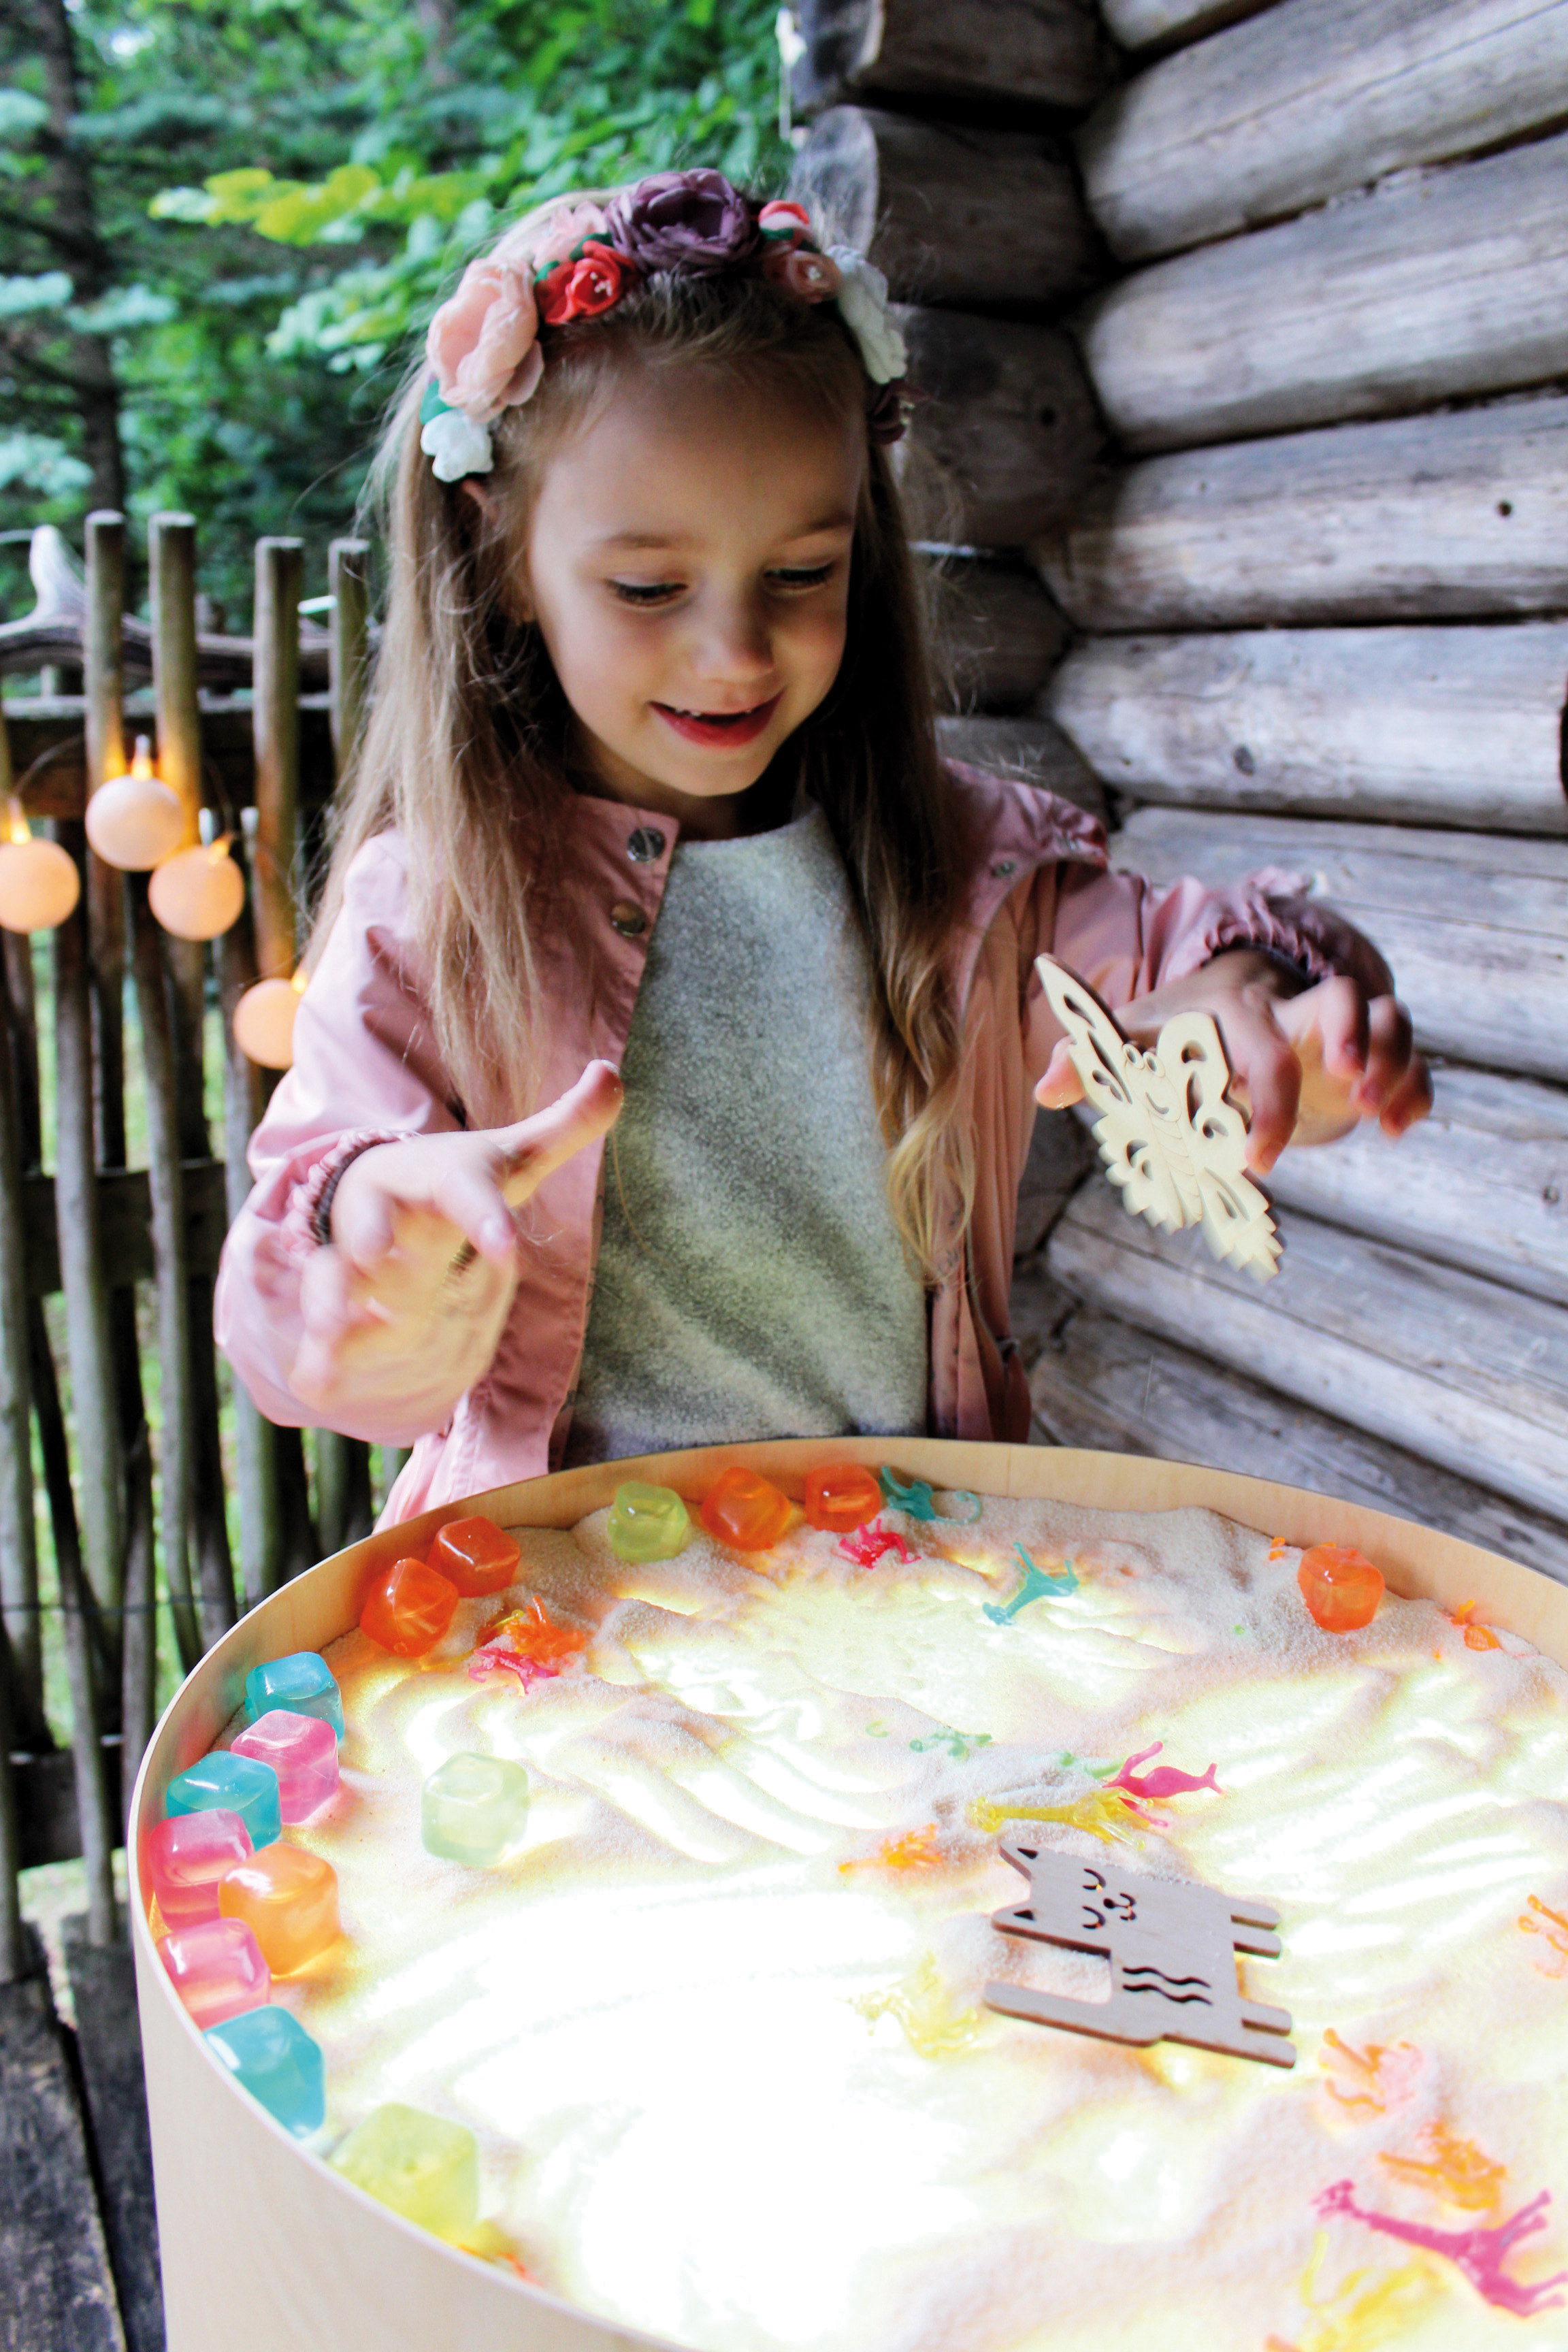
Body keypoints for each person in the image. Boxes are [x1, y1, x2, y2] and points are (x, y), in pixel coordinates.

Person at [215, 170, 1430, 1524]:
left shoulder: (974, 862)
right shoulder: (434, 910)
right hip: (566, 1626)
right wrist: (375, 1269)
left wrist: (1247, 1002)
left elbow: (1194, 955)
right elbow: (297, 1284)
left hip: (908, 1613)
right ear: (501, 554)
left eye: (800, 573)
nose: (735, 651)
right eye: (649, 587)